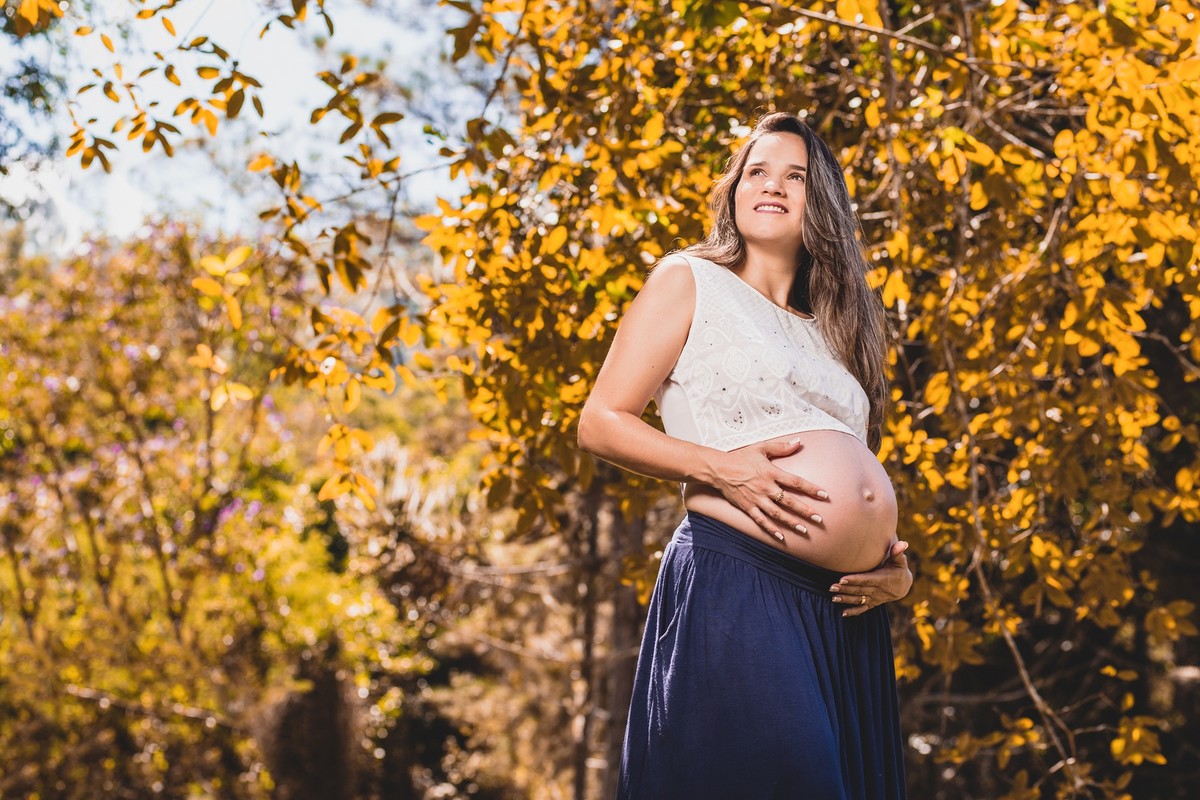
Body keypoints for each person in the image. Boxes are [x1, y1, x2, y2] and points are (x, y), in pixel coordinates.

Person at [577, 112, 912, 799]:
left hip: (845, 612)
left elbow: (852, 473)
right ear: (733, 190)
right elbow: (601, 422)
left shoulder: (833, 329)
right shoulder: (689, 280)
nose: (773, 186)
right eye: (757, 171)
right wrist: (722, 466)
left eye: (796, 176)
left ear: (820, 201)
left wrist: (896, 576)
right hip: (742, 582)